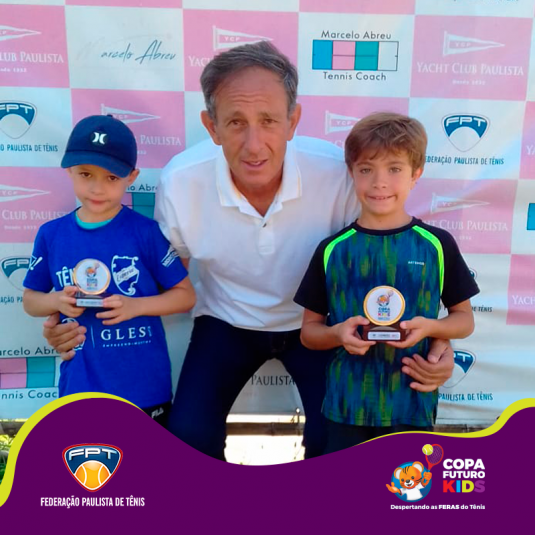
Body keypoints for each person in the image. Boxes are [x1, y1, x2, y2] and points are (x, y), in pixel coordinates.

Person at [43, 43, 455, 461]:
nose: (254, 145)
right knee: (188, 439)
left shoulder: (339, 174)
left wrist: (440, 340)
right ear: (212, 127)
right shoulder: (181, 182)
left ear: (293, 121)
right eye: (236, 122)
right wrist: (70, 320)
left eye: (269, 120)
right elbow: (160, 286)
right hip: (226, 321)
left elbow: (392, 259)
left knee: (332, 444)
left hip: (316, 327)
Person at [295, 112, 480, 454]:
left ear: (416, 174)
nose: (379, 183)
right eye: (366, 169)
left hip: (411, 402)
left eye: (394, 169)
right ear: (351, 172)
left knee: (403, 486)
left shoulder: (436, 245)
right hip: (347, 405)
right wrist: (338, 334)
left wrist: (431, 328)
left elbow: (464, 319)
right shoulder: (333, 249)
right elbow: (309, 332)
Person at [23, 115, 195, 426]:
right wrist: (56, 301)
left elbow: (185, 296)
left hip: (144, 388)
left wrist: (135, 306)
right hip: (80, 388)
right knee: (88, 459)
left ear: (132, 176)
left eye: (112, 177)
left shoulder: (146, 232)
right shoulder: (52, 234)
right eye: (86, 174)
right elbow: (30, 301)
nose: (97, 188)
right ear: (68, 170)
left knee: (147, 459)